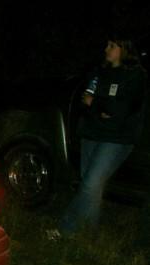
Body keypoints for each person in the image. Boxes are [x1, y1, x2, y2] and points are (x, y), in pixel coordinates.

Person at [50, 34, 147, 239]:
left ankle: (65, 229)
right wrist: (98, 107)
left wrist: (97, 104)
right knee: (92, 186)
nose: (106, 49)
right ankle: (88, 234)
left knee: (90, 184)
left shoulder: (136, 76)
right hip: (92, 133)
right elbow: (84, 100)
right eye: (107, 44)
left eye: (112, 45)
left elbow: (120, 111)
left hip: (117, 139)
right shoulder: (99, 72)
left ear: (124, 49)